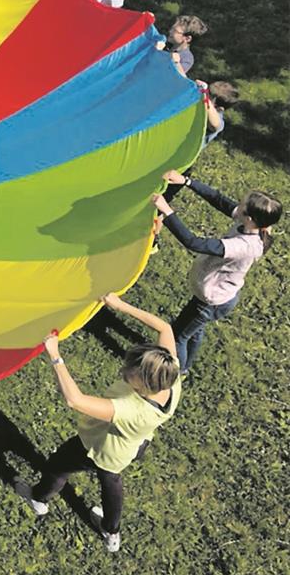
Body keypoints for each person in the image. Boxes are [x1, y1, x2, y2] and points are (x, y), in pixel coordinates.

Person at [16, 293, 181, 553]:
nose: (123, 371)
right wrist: (120, 305)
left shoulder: (131, 410)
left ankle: (39, 498)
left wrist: (55, 355)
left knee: (59, 465)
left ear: (145, 384)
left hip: (99, 447)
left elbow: (75, 400)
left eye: (130, 374)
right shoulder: (168, 372)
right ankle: (111, 531)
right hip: (133, 447)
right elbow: (165, 328)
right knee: (111, 482)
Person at [153, 172, 282, 374]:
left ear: (249, 218)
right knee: (194, 329)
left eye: (241, 204)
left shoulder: (243, 246)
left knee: (177, 334)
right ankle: (185, 367)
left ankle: (176, 373)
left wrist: (167, 212)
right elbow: (219, 201)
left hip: (212, 300)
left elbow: (194, 243)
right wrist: (187, 182)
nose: (236, 205)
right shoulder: (253, 225)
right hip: (215, 297)